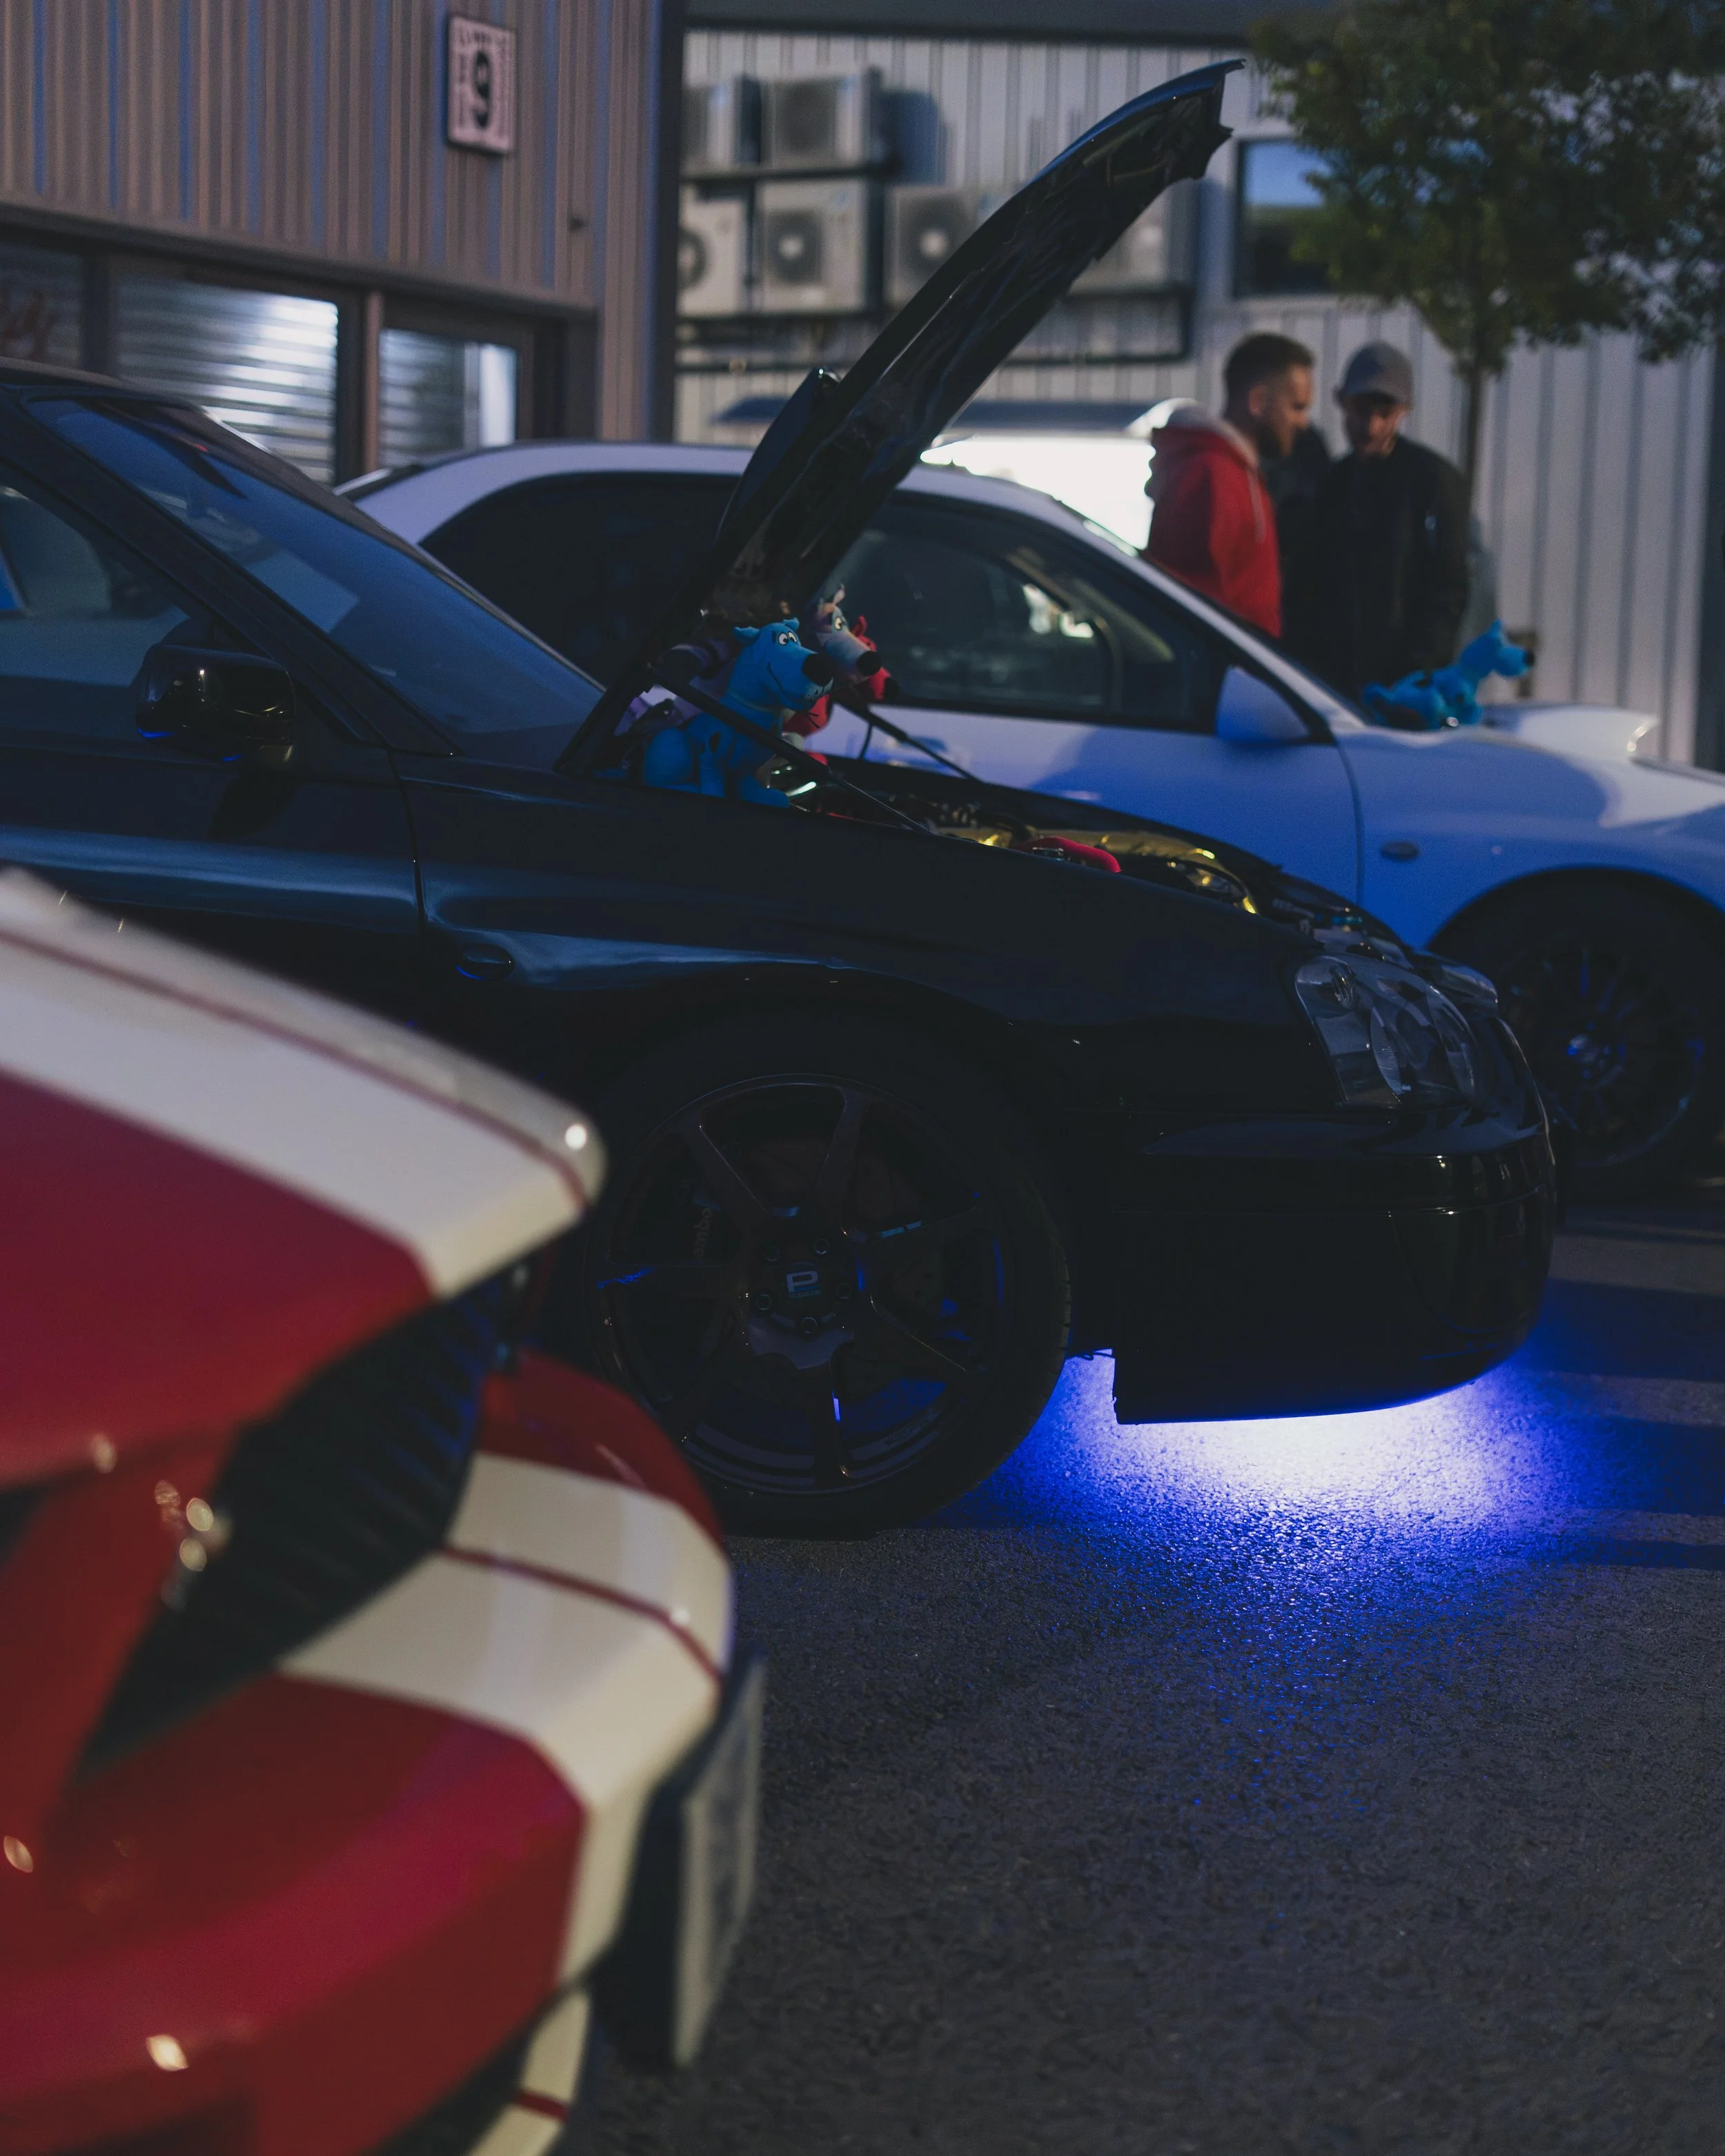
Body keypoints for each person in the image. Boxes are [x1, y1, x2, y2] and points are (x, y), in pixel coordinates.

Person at [1288, 341, 1470, 699]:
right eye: (1361, 410)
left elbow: (1447, 588)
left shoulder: (1431, 480)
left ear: (1403, 412)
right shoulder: (1332, 484)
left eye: (1383, 413)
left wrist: (1419, 674)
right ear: (1342, 402)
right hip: (1337, 681)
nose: (1370, 425)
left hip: (1401, 684)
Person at [1143, 333, 1314, 637]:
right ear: (1258, 401)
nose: (1303, 422)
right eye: (1296, 406)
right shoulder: (1212, 474)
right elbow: (1188, 606)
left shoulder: (1233, 472)